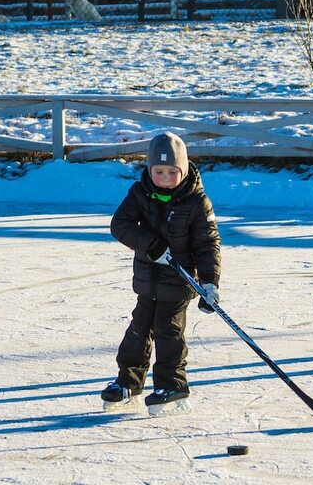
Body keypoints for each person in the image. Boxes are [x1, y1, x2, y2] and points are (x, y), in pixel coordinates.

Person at [101, 132, 221, 415]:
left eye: (172, 172)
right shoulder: (140, 193)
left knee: (169, 333)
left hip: (178, 283)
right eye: (159, 171)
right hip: (147, 280)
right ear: (149, 169)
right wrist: (150, 244)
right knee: (137, 331)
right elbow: (120, 225)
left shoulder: (196, 201)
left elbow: (207, 244)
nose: (165, 178)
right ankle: (128, 381)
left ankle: (172, 385)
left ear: (183, 168)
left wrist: (209, 283)